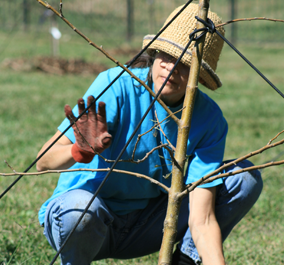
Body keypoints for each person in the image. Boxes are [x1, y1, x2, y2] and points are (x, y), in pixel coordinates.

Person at [37, 3, 263, 265]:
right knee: (79, 209)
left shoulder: (209, 119)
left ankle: (186, 261)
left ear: (200, 75)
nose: (171, 68)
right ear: (154, 53)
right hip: (85, 219)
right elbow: (43, 160)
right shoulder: (117, 85)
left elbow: (202, 219)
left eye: (186, 64)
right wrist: (80, 151)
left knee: (242, 178)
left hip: (150, 226)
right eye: (166, 55)